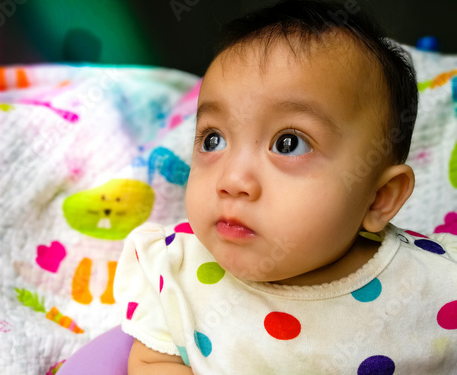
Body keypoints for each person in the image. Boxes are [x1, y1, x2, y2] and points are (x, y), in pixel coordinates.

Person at [114, 0, 457, 374]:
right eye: (213, 140)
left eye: (288, 144)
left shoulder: (434, 290)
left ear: (378, 198)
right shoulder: (176, 271)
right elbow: (152, 358)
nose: (233, 181)